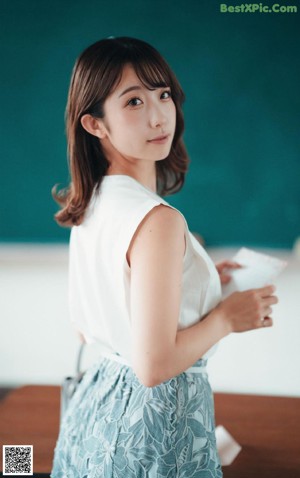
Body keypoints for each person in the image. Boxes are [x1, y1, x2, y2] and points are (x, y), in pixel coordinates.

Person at [50, 37, 278, 478]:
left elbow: (92, 324)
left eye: (164, 95)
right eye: (133, 101)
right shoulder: (159, 220)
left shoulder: (90, 201)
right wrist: (226, 318)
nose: (158, 116)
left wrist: (201, 281)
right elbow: (154, 367)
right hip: (156, 423)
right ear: (95, 124)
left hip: (93, 413)